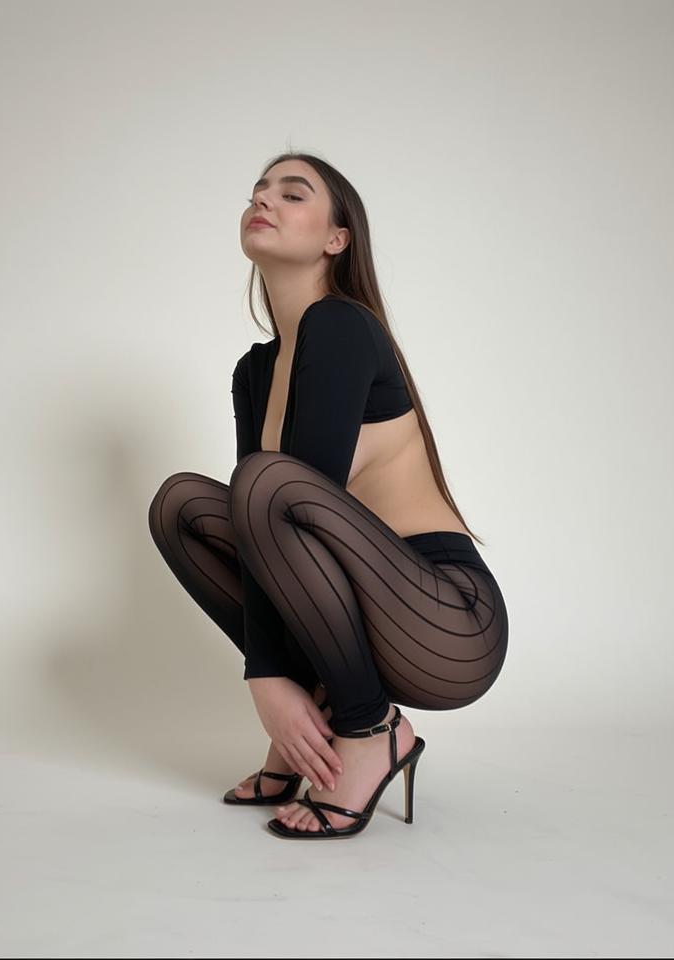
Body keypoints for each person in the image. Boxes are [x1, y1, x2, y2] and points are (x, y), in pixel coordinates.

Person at [149, 152, 508, 839]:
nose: (263, 200)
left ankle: (370, 729)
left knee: (266, 480)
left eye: (292, 194)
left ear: (336, 239)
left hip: (445, 620)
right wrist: (273, 675)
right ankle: (318, 717)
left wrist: (264, 676)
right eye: (258, 191)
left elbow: (279, 501)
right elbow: (263, 538)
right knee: (183, 505)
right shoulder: (256, 370)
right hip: (361, 609)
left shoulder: (341, 326)